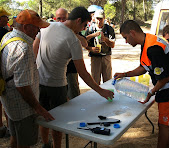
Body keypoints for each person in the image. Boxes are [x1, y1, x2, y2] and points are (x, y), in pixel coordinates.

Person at [35, 7, 114, 148]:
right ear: (78, 21)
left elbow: (35, 48)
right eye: (84, 25)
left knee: (43, 115)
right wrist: (101, 91)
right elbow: (83, 72)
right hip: (57, 86)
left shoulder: (48, 26)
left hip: (40, 82)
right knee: (56, 122)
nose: (83, 29)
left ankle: (46, 143)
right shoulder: (72, 40)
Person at [114, 20, 169, 148]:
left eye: (126, 38)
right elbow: (144, 66)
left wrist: (150, 92)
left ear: (132, 33)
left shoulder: (153, 49)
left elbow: (165, 78)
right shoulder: (147, 41)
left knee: (165, 126)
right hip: (167, 91)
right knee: (164, 124)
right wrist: (125, 74)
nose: (126, 41)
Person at [0, 9, 54, 147]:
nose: (39, 31)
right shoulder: (23, 48)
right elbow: (22, 86)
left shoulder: (7, 36)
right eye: (37, 27)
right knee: (24, 143)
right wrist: (38, 108)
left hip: (9, 102)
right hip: (23, 109)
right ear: (25, 27)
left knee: (15, 137)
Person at [85, 9, 115, 85]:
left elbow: (112, 45)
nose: (99, 21)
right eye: (97, 18)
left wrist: (105, 39)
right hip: (95, 58)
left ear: (104, 18)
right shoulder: (90, 30)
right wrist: (91, 49)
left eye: (101, 18)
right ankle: (96, 97)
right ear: (94, 18)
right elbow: (84, 43)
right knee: (95, 81)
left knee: (108, 81)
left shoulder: (109, 29)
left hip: (106, 57)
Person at [0, 6, 11, 138]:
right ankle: (9, 127)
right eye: (5, 17)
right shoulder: (3, 32)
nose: (7, 19)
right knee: (6, 100)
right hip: (3, 73)